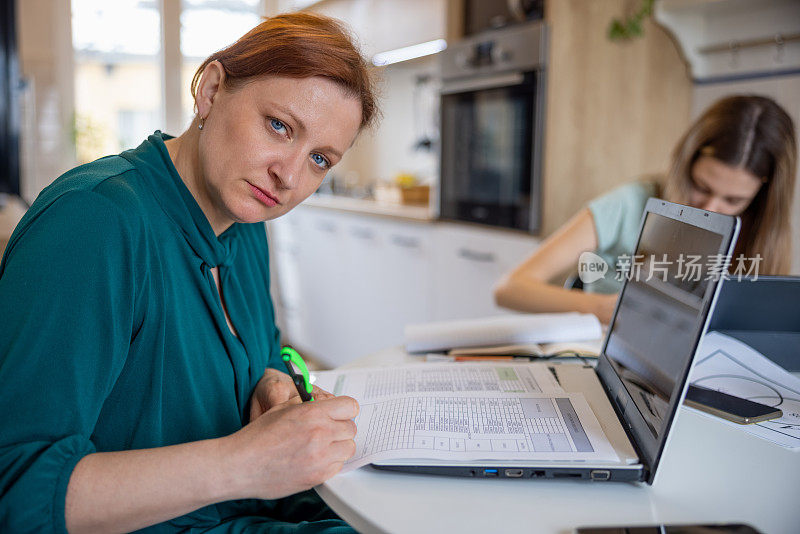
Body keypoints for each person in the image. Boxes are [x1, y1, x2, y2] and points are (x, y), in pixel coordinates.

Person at [0, 12, 377, 533]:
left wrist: (271, 384)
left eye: (319, 159)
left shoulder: (246, 219)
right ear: (212, 90)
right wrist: (246, 462)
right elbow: (15, 493)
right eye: (279, 126)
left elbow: (264, 350)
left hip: (254, 508)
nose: (288, 176)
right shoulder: (94, 222)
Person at [494, 95, 797, 324]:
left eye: (733, 201)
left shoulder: (760, 236)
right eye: (701, 187)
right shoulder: (630, 204)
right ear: (684, 165)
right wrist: (602, 308)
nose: (711, 209)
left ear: (761, 197)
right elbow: (510, 288)